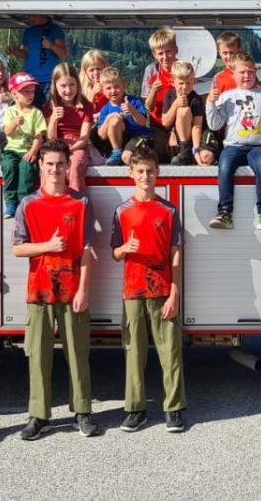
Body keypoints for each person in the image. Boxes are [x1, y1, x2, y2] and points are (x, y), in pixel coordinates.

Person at [12, 139, 97, 441]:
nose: (55, 169)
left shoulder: (80, 203)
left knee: (78, 353)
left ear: (67, 166)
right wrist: (47, 246)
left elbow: (87, 250)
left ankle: (83, 411)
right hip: (39, 292)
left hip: (72, 291)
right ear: (41, 166)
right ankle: (39, 416)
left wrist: (84, 289)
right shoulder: (29, 204)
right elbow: (18, 249)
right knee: (38, 356)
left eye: (60, 164)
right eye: (49, 164)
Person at [111, 148, 186, 433]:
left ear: (158, 173)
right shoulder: (121, 210)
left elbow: (175, 253)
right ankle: (136, 409)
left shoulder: (168, 210)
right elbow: (114, 253)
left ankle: (174, 408)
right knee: (133, 352)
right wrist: (123, 249)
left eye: (150, 171)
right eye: (140, 171)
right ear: (131, 173)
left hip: (162, 290)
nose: (145, 176)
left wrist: (175, 291)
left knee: (171, 352)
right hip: (132, 291)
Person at [205, 52, 261, 231]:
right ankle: (224, 212)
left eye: (250, 71)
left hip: (258, 147)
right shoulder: (227, 97)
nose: (247, 76)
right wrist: (210, 103)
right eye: (242, 72)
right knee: (225, 165)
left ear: (255, 72)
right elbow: (214, 124)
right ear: (232, 73)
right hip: (233, 146)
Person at [1, 72, 45, 218]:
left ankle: (23, 202)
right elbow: (7, 132)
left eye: (32, 91)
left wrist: (33, 151)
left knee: (27, 172)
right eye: (25, 91)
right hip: (12, 150)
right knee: (9, 168)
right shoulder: (10, 112)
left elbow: (39, 136)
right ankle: (11, 202)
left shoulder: (36, 113)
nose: (30, 95)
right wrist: (13, 123)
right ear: (14, 94)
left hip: (28, 150)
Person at [44, 63, 93, 192]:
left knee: (75, 165)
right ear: (55, 86)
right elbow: (51, 139)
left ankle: (76, 201)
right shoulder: (50, 106)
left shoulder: (86, 106)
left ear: (78, 85)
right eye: (63, 86)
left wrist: (70, 149)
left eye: (72, 85)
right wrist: (53, 119)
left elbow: (84, 138)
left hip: (77, 146)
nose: (68, 90)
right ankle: (49, 199)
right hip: (57, 145)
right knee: (48, 167)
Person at [161, 60, 216, 165]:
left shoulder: (195, 99)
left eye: (188, 83)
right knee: (183, 110)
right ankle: (185, 152)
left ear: (194, 81)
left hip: (197, 135)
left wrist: (196, 150)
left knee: (206, 158)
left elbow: (197, 127)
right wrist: (176, 104)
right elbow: (165, 123)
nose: (185, 87)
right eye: (181, 83)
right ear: (173, 82)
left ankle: (191, 154)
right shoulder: (169, 96)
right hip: (180, 137)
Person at [6, 15, 68, 105]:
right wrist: (14, 51)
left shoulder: (55, 29)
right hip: (31, 80)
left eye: (33, 15)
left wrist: (52, 46)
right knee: (31, 111)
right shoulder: (28, 32)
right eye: (30, 15)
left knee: (49, 111)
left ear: (42, 14)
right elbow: (25, 54)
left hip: (50, 80)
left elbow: (64, 53)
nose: (30, 17)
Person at [96, 66, 151, 166]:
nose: (113, 91)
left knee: (127, 158)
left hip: (136, 137)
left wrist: (133, 110)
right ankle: (117, 152)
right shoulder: (105, 109)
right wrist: (109, 118)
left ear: (124, 85)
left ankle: (145, 155)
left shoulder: (133, 101)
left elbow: (143, 122)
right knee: (114, 119)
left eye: (117, 87)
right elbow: (102, 135)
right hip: (118, 141)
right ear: (102, 90)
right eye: (108, 88)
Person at [142, 27, 178, 155]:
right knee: (157, 155)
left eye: (168, 52)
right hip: (157, 125)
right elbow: (148, 107)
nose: (165, 57)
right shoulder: (151, 71)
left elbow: (188, 103)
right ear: (154, 54)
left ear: (176, 50)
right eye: (160, 53)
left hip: (178, 125)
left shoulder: (182, 70)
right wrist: (153, 91)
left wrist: (174, 132)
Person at [212, 31, 242, 95]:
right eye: (225, 53)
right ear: (219, 53)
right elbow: (213, 101)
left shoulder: (247, 74)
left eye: (231, 52)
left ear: (239, 51)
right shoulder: (218, 78)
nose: (229, 56)